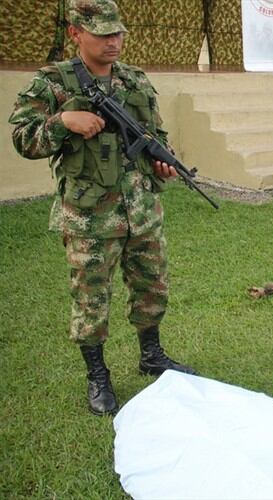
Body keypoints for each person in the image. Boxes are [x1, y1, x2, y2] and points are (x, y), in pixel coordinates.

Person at [8, 0, 195, 416]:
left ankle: (152, 355)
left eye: (118, 33)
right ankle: (98, 376)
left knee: (152, 287)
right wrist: (63, 122)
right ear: (75, 33)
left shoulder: (135, 81)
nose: (114, 41)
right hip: (89, 216)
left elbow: (155, 134)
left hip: (142, 211)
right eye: (103, 34)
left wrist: (163, 161)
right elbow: (23, 139)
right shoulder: (52, 83)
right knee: (91, 300)